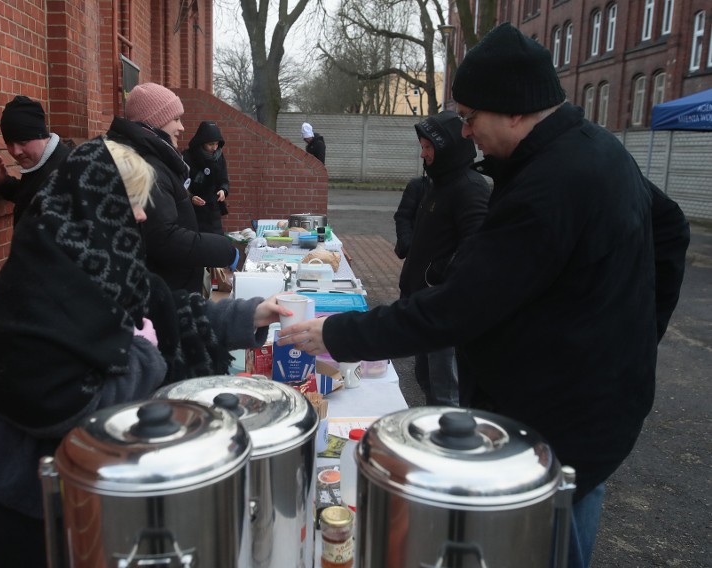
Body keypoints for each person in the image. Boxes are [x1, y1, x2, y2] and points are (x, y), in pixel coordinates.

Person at [278, 23, 689, 568]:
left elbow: (459, 306)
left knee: (546, 543)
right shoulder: (595, 150)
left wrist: (338, 333)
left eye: (470, 118)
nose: (465, 132)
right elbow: (671, 228)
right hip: (594, 402)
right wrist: (635, 338)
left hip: (559, 422)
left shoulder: (552, 184)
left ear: (514, 110)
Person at [0, 135, 289, 568]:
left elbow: (168, 311)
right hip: (14, 492)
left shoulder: (96, 259)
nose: (143, 215)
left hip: (66, 478)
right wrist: (144, 355)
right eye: (135, 203)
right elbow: (65, 406)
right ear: (96, 202)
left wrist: (253, 314)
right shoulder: (40, 286)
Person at [394, 111, 490, 406]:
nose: (423, 154)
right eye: (422, 147)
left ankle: (448, 445)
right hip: (423, 304)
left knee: (446, 392)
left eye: (428, 147)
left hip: (444, 310)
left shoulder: (470, 187)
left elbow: (476, 250)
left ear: (447, 146)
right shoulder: (439, 184)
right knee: (424, 377)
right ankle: (434, 432)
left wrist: (438, 275)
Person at [110, 82, 239, 293]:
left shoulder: (156, 159)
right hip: (166, 292)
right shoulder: (148, 167)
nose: (182, 127)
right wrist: (224, 249)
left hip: (171, 286)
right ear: (156, 121)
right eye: (176, 119)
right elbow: (163, 238)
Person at [0, 95, 71, 226]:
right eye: (9, 144)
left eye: (23, 142)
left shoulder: (68, 170)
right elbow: (28, 195)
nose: (16, 151)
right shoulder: (42, 163)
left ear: (41, 135)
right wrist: (3, 181)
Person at [183, 120, 231, 235]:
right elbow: (181, 183)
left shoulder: (219, 156)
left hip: (213, 207)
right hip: (194, 210)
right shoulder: (187, 157)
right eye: (210, 144)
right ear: (201, 142)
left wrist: (223, 190)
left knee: (216, 240)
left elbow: (224, 178)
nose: (214, 148)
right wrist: (191, 197)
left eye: (216, 144)